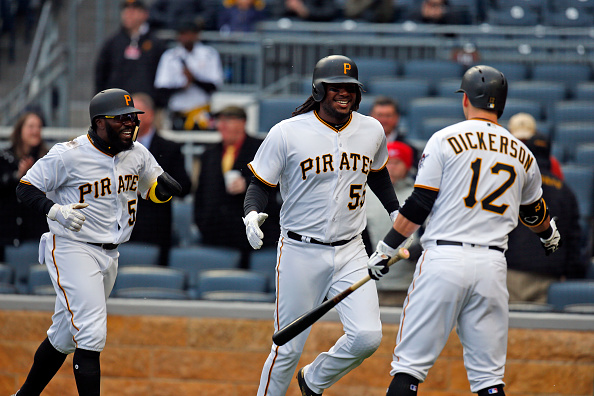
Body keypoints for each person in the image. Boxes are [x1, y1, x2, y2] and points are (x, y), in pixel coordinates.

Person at [366, 65, 562, 395]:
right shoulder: (523, 154)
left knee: (409, 370)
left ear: (466, 100)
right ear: (500, 104)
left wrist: (385, 249)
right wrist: (547, 234)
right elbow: (535, 214)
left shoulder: (444, 138)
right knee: (488, 380)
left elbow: (418, 205)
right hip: (492, 265)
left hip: (444, 259)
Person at [243, 55, 400, 395]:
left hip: (351, 249)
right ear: (319, 90)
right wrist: (251, 213)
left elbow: (380, 175)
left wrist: (394, 213)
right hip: (301, 250)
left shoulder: (371, 128)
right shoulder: (287, 132)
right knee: (287, 349)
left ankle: (314, 379)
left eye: (351, 89)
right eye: (336, 88)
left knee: (367, 336)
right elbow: (260, 185)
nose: (345, 94)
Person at [12, 88, 183, 396]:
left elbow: (151, 190)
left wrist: (165, 189)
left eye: (133, 117)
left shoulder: (137, 152)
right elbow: (25, 188)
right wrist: (55, 209)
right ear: (100, 122)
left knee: (63, 337)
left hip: (110, 254)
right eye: (121, 119)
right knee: (91, 335)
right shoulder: (69, 154)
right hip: (72, 247)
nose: (130, 124)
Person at [194, 105, 280, 268]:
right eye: (220, 121)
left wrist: (247, 184)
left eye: (228, 120)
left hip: (251, 237)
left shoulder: (260, 148)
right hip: (215, 236)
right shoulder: (209, 153)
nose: (222, 125)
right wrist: (202, 224)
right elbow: (201, 194)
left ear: (242, 123)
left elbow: (277, 182)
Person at [506, 134, 585, 303]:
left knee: (510, 327)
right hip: (549, 278)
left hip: (512, 273)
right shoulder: (566, 191)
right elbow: (573, 240)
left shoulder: (515, 184)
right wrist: (569, 275)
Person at [128, 92, 192, 266]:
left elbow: (184, 187)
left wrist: (157, 183)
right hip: (121, 230)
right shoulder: (114, 148)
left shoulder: (169, 148)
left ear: (151, 114)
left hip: (155, 231)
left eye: (136, 113)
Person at [365, 141, 419, 302]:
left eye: (397, 162)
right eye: (388, 163)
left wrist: (420, 247)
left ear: (408, 166)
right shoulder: (364, 193)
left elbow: (433, 230)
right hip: (368, 281)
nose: (392, 167)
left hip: (407, 283)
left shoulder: (419, 194)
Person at [154, 18, 224, 131]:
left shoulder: (209, 54)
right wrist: (182, 86)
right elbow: (161, 88)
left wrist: (194, 79)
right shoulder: (170, 56)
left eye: (190, 33)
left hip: (202, 114)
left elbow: (214, 86)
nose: (186, 37)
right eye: (183, 33)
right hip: (177, 114)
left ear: (197, 35)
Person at [94, 0, 167, 108]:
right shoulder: (113, 43)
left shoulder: (156, 44)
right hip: (117, 105)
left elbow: (163, 75)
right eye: (126, 11)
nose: (128, 14)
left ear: (144, 14)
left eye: (133, 11)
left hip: (147, 107)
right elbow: (101, 73)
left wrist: (158, 102)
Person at [0, 111, 49, 260]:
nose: (36, 131)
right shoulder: (4, 157)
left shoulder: (47, 158)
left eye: (39, 127)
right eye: (31, 126)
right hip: (8, 234)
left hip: (37, 233)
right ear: (20, 130)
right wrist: (17, 176)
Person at [369, 96, 419, 173]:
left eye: (388, 116)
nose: (383, 120)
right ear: (371, 117)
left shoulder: (409, 149)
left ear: (397, 117)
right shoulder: (358, 145)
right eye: (379, 115)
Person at [507, 112, 564, 180]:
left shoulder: (552, 163)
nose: (522, 144)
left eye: (525, 140)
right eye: (518, 140)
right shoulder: (503, 158)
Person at [405, 0, 471, 25]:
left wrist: (443, 14)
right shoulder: (419, 6)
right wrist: (422, 14)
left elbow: (460, 23)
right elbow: (406, 20)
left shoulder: (452, 8)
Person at [270, 0, 338, 22]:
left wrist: (306, 12)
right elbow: (274, 12)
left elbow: (329, 12)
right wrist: (288, 6)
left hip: (316, 34)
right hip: (287, 35)